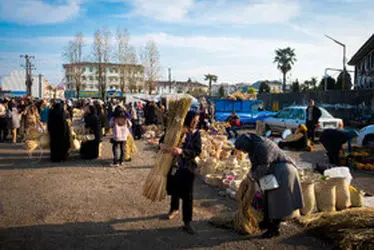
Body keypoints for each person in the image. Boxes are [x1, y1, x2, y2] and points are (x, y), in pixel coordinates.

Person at [234, 133, 303, 238]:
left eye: (244, 149)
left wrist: (251, 178)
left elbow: (263, 167)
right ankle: (267, 222)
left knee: (276, 201)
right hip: (273, 172)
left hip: (284, 172)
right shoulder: (255, 145)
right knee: (267, 198)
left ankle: (274, 229)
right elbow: (257, 165)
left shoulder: (263, 146)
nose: (244, 152)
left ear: (246, 144)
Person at [162, 111, 202, 234]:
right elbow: (162, 140)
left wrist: (182, 151)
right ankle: (174, 209)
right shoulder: (177, 130)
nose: (196, 123)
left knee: (188, 195)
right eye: (193, 121)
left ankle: (187, 221)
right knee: (174, 189)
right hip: (174, 165)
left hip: (188, 168)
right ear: (188, 120)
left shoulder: (196, 135)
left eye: (197, 121)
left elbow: (197, 151)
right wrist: (162, 145)